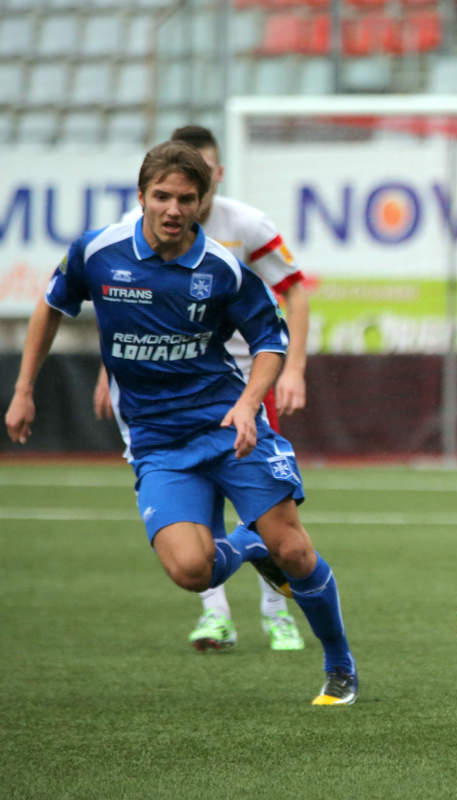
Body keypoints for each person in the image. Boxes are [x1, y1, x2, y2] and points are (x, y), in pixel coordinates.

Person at [5, 141, 358, 705]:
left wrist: (247, 405)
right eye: (162, 196)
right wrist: (24, 390)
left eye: (186, 199)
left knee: (294, 551)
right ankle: (249, 548)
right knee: (193, 570)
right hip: (156, 441)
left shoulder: (221, 267)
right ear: (141, 195)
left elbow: (271, 339)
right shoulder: (98, 252)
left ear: (202, 202)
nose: (173, 209)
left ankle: (340, 667)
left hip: (226, 427)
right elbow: (52, 303)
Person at [93, 125, 311, 654]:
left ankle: (276, 613)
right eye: (170, 189)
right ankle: (215, 615)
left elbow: (294, 290)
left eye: (206, 175)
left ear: (216, 176)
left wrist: (295, 368)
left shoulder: (247, 224)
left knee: (264, 508)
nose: (191, 191)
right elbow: (116, 310)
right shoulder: (130, 231)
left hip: (243, 383)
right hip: (172, 388)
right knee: (196, 504)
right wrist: (109, 372)